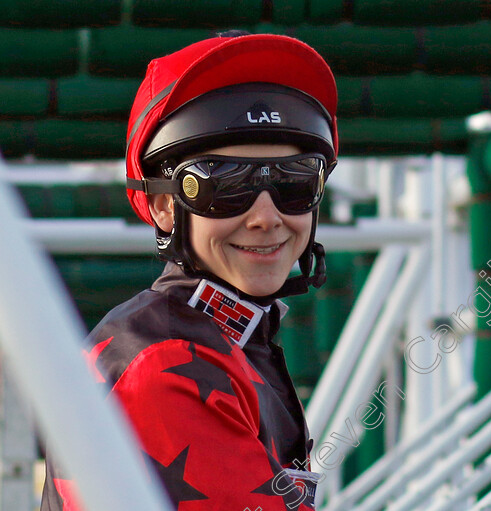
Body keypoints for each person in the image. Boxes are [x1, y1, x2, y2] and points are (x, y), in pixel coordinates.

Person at [40, 31, 338, 511]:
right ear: (162, 205)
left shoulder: (216, 339)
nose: (266, 217)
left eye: (295, 181)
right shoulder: (168, 363)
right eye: (226, 183)